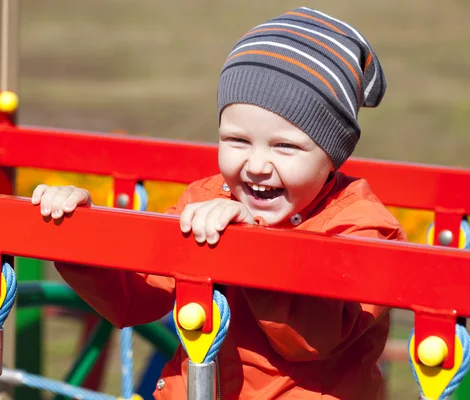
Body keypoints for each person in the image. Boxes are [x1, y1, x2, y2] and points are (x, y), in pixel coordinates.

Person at [32, 7, 406, 399]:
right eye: (237, 141)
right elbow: (135, 297)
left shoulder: (363, 228)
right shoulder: (207, 199)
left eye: (285, 146)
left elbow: (314, 338)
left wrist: (251, 245)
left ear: (333, 155)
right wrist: (80, 237)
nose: (257, 165)